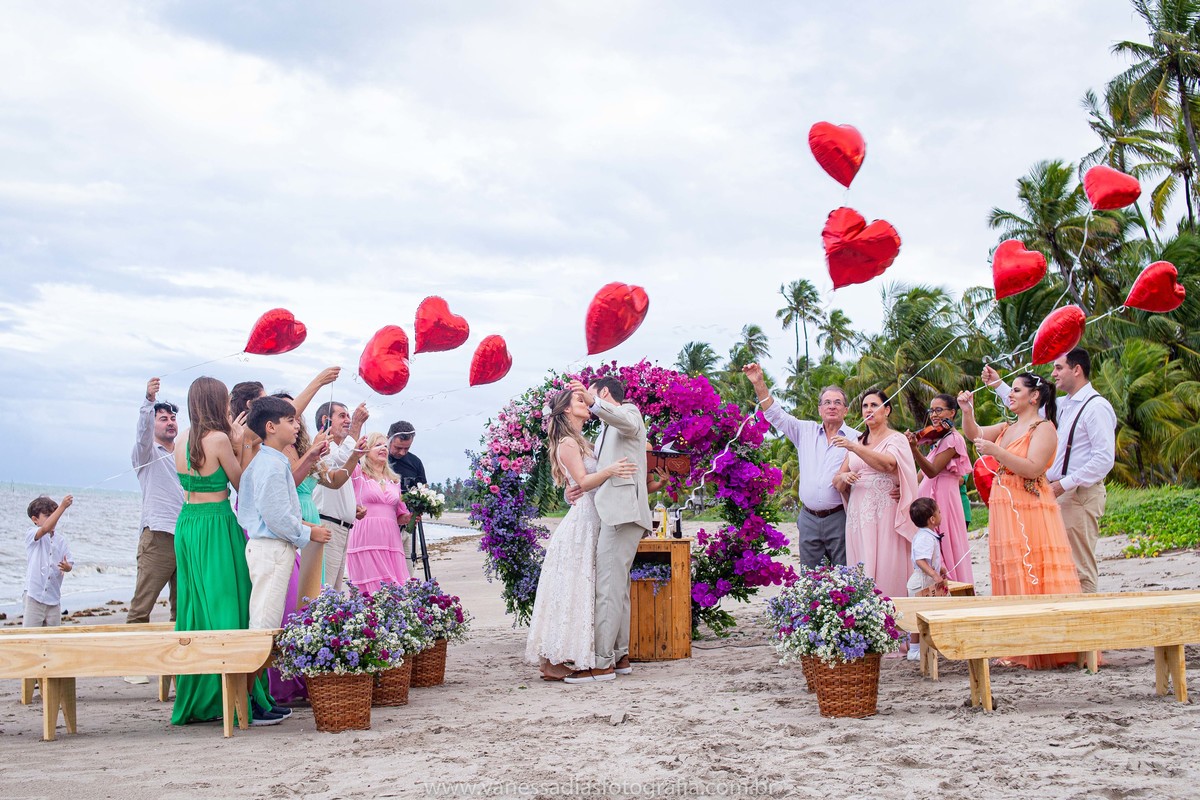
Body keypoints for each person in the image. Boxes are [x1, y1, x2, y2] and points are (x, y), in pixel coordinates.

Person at [172, 376, 282, 726]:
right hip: (217, 524)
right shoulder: (218, 438)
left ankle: (200, 693)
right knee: (230, 605)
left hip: (188, 525)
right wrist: (243, 445)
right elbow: (243, 486)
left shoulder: (180, 440)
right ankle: (237, 694)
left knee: (196, 609)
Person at [960, 374, 1082, 669]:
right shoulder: (1007, 427)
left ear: (1034, 396)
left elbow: (1033, 467)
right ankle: (1014, 643)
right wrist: (967, 412)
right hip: (1004, 503)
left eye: (1016, 390)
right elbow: (974, 434)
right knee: (1010, 565)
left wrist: (997, 452)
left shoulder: (1044, 428)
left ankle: (1045, 645)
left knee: (1034, 566)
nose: (1010, 395)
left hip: (1030, 504)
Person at [525, 389, 638, 681]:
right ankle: (561, 658)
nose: (585, 403)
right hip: (582, 525)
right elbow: (585, 480)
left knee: (589, 591)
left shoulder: (583, 442)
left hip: (596, 518)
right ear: (565, 411)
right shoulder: (566, 443)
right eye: (579, 400)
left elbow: (582, 484)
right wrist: (611, 470)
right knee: (577, 589)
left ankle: (584, 654)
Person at [983, 349, 1116, 593]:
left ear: (1076, 370)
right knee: (1052, 565)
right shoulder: (1063, 404)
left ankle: (1082, 624)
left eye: (1058, 368)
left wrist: (1063, 485)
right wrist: (999, 384)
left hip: (1079, 494)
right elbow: (1027, 407)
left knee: (1077, 568)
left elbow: (1104, 459)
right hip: (1051, 493)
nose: (1053, 374)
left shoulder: (1096, 407)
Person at [563, 377, 652, 684]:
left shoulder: (629, 411)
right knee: (618, 588)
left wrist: (592, 401)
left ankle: (601, 664)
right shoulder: (605, 429)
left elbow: (625, 422)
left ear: (601, 393)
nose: (587, 402)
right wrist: (573, 491)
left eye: (591, 396)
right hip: (614, 510)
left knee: (607, 589)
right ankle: (620, 655)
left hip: (620, 512)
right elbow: (595, 473)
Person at [743, 364, 858, 566]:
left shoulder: (856, 439)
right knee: (810, 578)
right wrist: (759, 383)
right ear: (820, 409)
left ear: (846, 410)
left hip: (840, 517)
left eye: (838, 402)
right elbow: (774, 414)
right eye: (827, 402)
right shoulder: (805, 431)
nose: (832, 406)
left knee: (843, 576)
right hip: (808, 518)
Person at [238, 395, 332, 634]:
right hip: (271, 549)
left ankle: (257, 669)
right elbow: (276, 517)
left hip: (270, 547)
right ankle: (256, 669)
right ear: (271, 427)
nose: (297, 425)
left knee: (267, 614)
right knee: (265, 622)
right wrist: (309, 532)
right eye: (290, 420)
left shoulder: (271, 462)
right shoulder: (270, 466)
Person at [832, 389, 918, 603]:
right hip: (858, 515)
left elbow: (888, 463)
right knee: (862, 563)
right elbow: (836, 481)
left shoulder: (896, 439)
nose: (869, 410)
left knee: (888, 563)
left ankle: (892, 620)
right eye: (865, 406)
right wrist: (845, 476)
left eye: (874, 405)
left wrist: (854, 447)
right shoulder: (858, 442)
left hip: (886, 511)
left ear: (886, 410)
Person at [128, 378, 185, 626]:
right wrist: (149, 401)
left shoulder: (185, 454)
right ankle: (130, 661)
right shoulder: (146, 453)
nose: (170, 422)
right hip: (158, 536)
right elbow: (141, 434)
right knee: (141, 608)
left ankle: (179, 664)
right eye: (163, 419)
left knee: (183, 609)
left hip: (186, 535)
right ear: (152, 424)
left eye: (172, 418)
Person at [906, 394, 974, 584]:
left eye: (939, 410)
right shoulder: (938, 440)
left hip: (945, 500)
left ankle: (953, 584)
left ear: (952, 413)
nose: (934, 414)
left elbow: (932, 471)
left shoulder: (953, 439)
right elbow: (919, 475)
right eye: (932, 410)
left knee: (946, 544)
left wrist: (914, 450)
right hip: (931, 501)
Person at [346, 432, 413, 593]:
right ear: (365, 450)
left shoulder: (394, 480)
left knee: (395, 587)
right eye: (377, 445)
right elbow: (347, 462)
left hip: (391, 541)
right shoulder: (358, 475)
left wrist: (413, 515)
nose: (383, 448)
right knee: (370, 590)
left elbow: (400, 516)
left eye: (385, 445)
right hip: (365, 538)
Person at [314, 400, 369, 590]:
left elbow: (342, 477)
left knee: (336, 589)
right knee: (326, 589)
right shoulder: (322, 445)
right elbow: (341, 461)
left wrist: (351, 508)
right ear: (326, 420)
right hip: (328, 525)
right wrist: (356, 425)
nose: (347, 420)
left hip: (343, 527)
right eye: (342, 416)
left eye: (348, 416)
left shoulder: (339, 447)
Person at [905, 497, 947, 661]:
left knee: (926, 615)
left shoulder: (927, 534)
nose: (940, 514)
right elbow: (920, 560)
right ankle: (914, 650)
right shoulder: (925, 537)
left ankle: (926, 646)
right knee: (917, 616)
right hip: (921, 582)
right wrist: (934, 574)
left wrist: (939, 568)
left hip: (925, 579)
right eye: (939, 512)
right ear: (932, 519)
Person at [23, 495, 74, 628]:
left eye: (54, 515)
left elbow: (69, 564)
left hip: (53, 599)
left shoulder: (60, 540)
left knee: (52, 637)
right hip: (34, 596)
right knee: (31, 635)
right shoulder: (32, 533)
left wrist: (67, 567)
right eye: (48, 516)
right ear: (35, 519)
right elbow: (44, 529)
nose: (53, 520)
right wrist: (62, 507)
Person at [387, 420, 427, 569]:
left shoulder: (415, 462)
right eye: (398, 448)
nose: (402, 452)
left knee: (407, 569)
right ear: (388, 438)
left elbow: (423, 490)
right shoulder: (377, 458)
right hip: (385, 525)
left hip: (408, 525)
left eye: (406, 448)